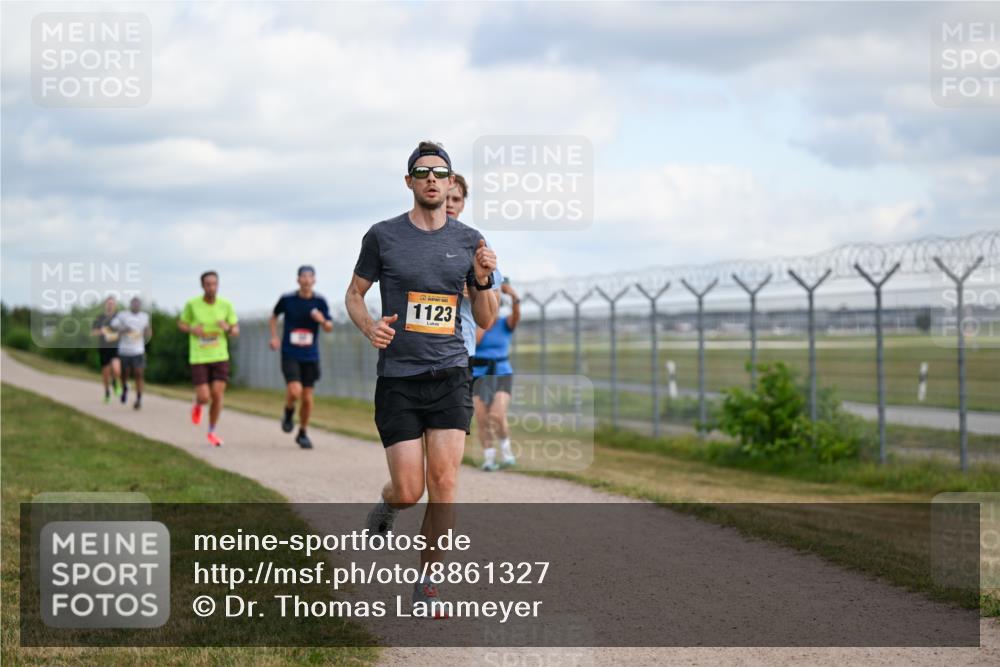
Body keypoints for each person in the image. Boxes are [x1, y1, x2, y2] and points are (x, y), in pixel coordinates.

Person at [346, 140, 498, 612]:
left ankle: (428, 581)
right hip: (399, 377)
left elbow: (487, 318)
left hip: (451, 371)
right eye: (422, 172)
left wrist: (486, 280)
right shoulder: (382, 236)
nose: (432, 179)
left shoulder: (469, 240)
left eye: (440, 173)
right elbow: (354, 293)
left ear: (451, 182)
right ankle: (388, 505)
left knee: (445, 481)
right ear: (409, 181)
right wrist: (369, 325)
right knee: (411, 489)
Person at [269, 265, 333, 449]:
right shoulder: (287, 299)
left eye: (309, 276)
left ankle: (303, 432)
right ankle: (289, 411)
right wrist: (274, 336)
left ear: (314, 280)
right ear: (298, 280)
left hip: (310, 355)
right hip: (290, 353)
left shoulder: (320, 302)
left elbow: (329, 327)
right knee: (295, 391)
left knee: (307, 397)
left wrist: (321, 320)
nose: (306, 280)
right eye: (303, 276)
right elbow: (273, 316)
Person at [445, 173, 503, 363]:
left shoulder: (476, 243)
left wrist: (476, 288)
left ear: (462, 204)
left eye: (456, 199)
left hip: (461, 349)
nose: (449, 204)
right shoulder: (415, 239)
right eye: (446, 197)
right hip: (420, 349)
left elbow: (493, 308)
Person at [178, 271, 239, 447]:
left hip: (220, 355)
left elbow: (235, 331)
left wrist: (227, 328)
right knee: (205, 397)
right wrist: (192, 330)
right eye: (208, 284)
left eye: (214, 284)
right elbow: (181, 323)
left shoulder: (226, 305)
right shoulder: (192, 304)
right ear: (202, 286)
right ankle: (198, 404)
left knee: (218, 394)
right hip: (199, 356)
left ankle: (212, 431)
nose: (211, 287)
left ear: (218, 285)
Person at [472, 279, 521, 470]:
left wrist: (513, 295)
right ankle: (489, 458)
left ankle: (507, 453)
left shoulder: (505, 324)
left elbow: (516, 316)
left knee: (497, 415)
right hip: (479, 375)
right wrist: (485, 322)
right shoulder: (478, 326)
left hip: (501, 373)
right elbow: (474, 342)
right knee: (482, 418)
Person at [111, 296, 152, 410]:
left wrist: (147, 333)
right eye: (134, 304)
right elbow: (113, 327)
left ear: (140, 305)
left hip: (138, 351)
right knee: (124, 375)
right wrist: (125, 330)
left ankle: (139, 399)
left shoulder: (145, 316)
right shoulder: (122, 315)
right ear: (130, 305)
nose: (136, 306)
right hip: (124, 351)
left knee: (139, 374)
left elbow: (147, 329)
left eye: (138, 304)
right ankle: (125, 388)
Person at [91, 296, 122, 403]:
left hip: (115, 347)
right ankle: (107, 393)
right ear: (105, 305)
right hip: (103, 348)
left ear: (115, 305)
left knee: (116, 369)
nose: (110, 305)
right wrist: (101, 331)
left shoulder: (118, 318)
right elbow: (93, 332)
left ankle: (116, 382)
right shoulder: (100, 318)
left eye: (112, 303)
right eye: (108, 303)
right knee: (106, 373)